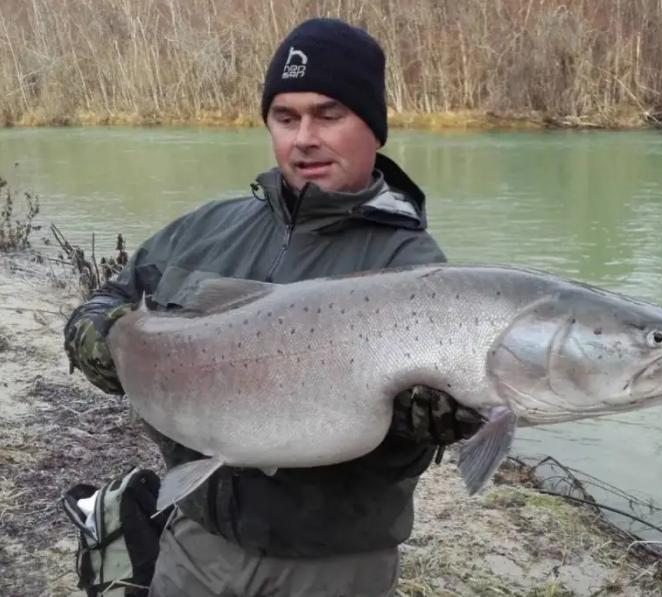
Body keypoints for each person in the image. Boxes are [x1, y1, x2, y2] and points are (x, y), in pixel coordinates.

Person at [63, 17, 484, 597]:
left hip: (333, 565)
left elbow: (415, 443)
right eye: (286, 118)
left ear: (374, 128)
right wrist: (102, 342)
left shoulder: (414, 269)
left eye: (328, 115)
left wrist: (423, 426)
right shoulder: (207, 228)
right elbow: (107, 299)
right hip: (195, 537)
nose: (304, 137)